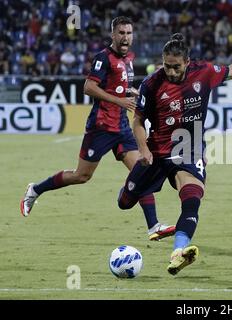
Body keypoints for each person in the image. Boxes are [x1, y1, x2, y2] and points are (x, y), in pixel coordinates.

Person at [117, 33, 232, 275]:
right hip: (157, 151)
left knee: (192, 199)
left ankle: (178, 252)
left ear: (187, 62)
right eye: (166, 66)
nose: (171, 72)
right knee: (124, 202)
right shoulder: (152, 84)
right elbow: (138, 120)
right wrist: (143, 149)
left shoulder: (203, 72)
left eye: (176, 67)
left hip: (188, 150)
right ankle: (150, 217)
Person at [20, 16, 175, 241]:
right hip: (101, 127)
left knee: (142, 170)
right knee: (82, 176)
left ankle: (154, 226)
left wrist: (131, 93)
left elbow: (119, 85)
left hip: (122, 126)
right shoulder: (103, 58)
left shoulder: (128, 59)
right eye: (121, 33)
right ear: (113, 35)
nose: (125, 37)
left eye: (129, 33)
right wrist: (120, 101)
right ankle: (35, 189)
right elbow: (89, 87)